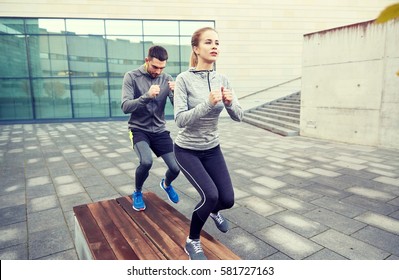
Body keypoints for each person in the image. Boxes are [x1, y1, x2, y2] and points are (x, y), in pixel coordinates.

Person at [173, 27, 244, 260]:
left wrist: (231, 103)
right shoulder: (183, 79)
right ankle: (192, 240)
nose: (215, 46)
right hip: (186, 150)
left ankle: (214, 212)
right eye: (208, 42)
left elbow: (239, 116)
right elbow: (180, 120)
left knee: (227, 199)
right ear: (196, 48)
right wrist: (207, 104)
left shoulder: (222, 79)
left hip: (212, 149)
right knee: (210, 195)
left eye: (217, 42)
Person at [121, 45, 180, 211]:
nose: (158, 71)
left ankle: (166, 184)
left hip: (160, 130)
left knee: (176, 167)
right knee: (146, 162)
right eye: (155, 67)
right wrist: (147, 96)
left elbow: (178, 108)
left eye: (162, 68)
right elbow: (125, 106)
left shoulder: (166, 78)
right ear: (147, 60)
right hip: (139, 129)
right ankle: (138, 192)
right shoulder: (131, 77)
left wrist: (176, 94)